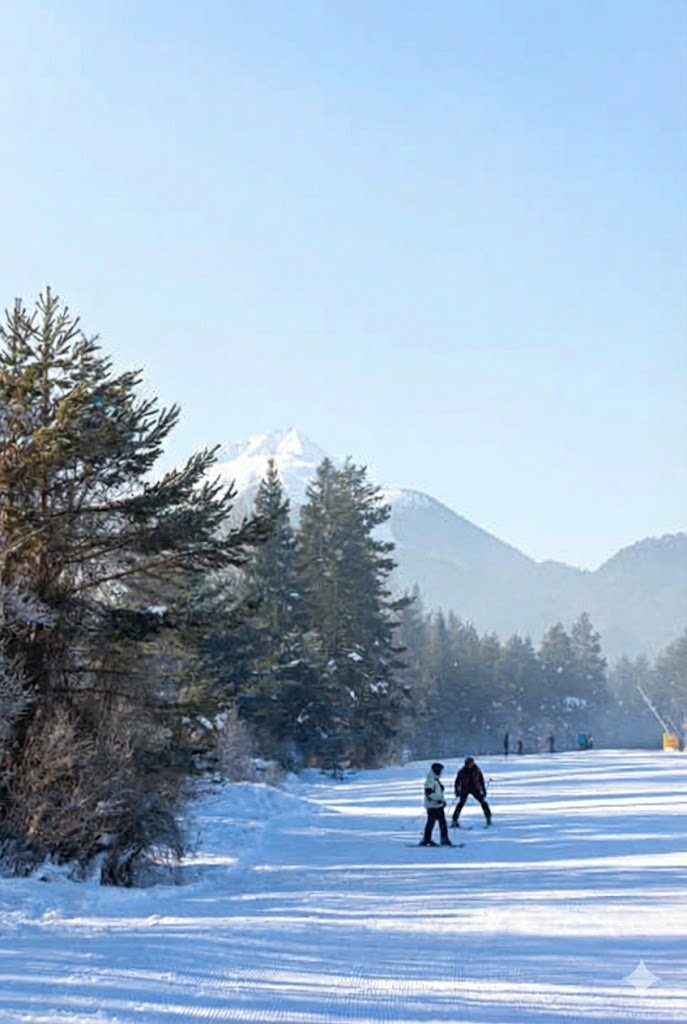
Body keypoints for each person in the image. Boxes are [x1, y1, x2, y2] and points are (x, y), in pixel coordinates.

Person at [451, 756, 492, 827]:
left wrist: (483, 790)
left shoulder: (477, 770)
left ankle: (488, 818)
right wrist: (457, 790)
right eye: (467, 764)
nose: (469, 765)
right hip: (465, 789)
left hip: (475, 789)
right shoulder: (462, 771)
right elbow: (457, 782)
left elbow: (481, 781)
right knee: (461, 804)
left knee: (483, 802)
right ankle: (455, 820)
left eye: (470, 763)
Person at [421, 762, 453, 846]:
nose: (441, 772)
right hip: (432, 806)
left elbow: (437, 792)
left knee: (441, 823)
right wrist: (438, 800)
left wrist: (442, 801)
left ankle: (443, 839)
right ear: (436, 770)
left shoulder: (435, 779)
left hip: (437, 805)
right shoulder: (430, 779)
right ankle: (427, 839)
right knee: (432, 823)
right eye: (440, 770)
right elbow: (429, 792)